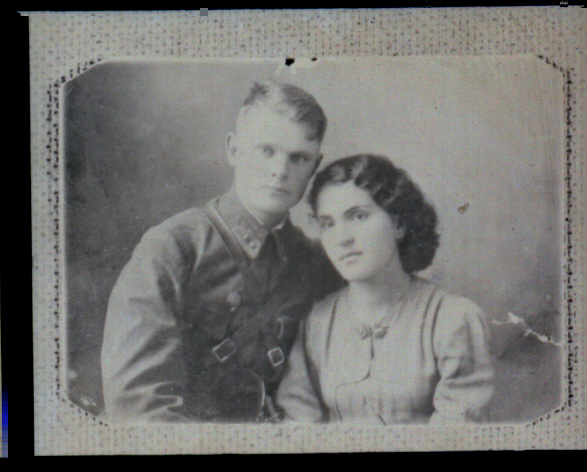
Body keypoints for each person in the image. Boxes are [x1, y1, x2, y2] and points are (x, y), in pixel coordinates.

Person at [101, 81, 342, 423]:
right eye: (266, 150)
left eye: (298, 158)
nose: (280, 170)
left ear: (315, 166)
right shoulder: (172, 249)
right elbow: (138, 406)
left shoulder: (315, 261)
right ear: (233, 149)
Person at [275, 154, 494, 424]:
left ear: (398, 223)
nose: (341, 238)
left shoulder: (453, 318)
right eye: (328, 224)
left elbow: (456, 436)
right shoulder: (316, 323)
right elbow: (299, 426)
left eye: (358, 216)